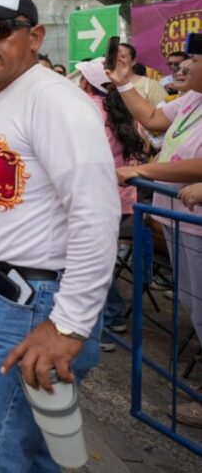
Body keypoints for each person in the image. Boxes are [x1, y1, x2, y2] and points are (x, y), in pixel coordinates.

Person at [0, 0, 118, 471]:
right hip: (8, 296)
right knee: (34, 452)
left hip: (33, 305)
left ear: (35, 36)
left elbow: (95, 214)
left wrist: (67, 324)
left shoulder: (56, 101)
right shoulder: (4, 95)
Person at [110, 36, 202, 427]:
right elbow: (150, 119)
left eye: (193, 60)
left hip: (195, 226)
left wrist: (144, 170)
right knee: (195, 307)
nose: (183, 67)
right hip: (177, 219)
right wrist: (122, 82)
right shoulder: (191, 100)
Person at [75, 59, 150, 352]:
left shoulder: (88, 108)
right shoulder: (123, 108)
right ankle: (113, 313)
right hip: (122, 200)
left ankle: (105, 325)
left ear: (85, 83)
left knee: (88, 262)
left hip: (97, 198)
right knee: (99, 259)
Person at [120, 42, 166, 107]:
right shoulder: (107, 86)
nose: (118, 60)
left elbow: (165, 114)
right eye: (114, 57)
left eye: (122, 56)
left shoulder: (151, 86)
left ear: (133, 61)